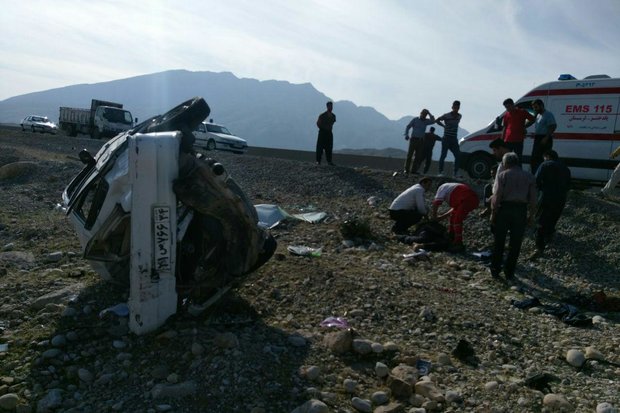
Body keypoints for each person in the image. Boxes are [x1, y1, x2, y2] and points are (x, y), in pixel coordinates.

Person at [489, 152, 537, 279]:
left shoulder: (502, 175)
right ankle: (509, 271)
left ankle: (495, 269)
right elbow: (533, 200)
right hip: (521, 211)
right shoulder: (529, 176)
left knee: (499, 241)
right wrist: (531, 216)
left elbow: (497, 196)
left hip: (505, 209)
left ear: (505, 163)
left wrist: (493, 214)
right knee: (515, 243)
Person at [531, 150, 571, 258]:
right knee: (553, 219)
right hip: (561, 199)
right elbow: (569, 185)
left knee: (540, 221)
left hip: (546, 197)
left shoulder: (545, 164)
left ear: (547, 156)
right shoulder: (565, 168)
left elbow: (536, 181)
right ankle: (549, 237)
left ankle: (539, 247)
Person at [430, 181, 479, 251]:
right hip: (473, 199)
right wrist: (441, 217)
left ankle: (458, 243)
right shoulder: (453, 188)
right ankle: (452, 235)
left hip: (466, 199)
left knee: (457, 221)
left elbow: (436, 203)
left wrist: (434, 217)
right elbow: (454, 209)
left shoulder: (442, 187)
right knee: (453, 216)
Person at [404, 109, 435, 174]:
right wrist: (406, 134)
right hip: (413, 139)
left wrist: (429, 112)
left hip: (421, 141)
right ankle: (406, 170)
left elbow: (433, 121)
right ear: (420, 113)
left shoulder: (426, 121)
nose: (424, 115)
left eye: (425, 114)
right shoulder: (415, 120)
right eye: (423, 114)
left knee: (417, 157)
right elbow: (408, 126)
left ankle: (413, 170)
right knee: (409, 155)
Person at [530, 99, 557, 174]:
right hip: (538, 138)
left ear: (541, 105)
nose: (535, 109)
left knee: (543, 158)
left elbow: (553, 126)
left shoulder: (548, 114)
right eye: (534, 108)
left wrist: (546, 138)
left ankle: (543, 175)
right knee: (535, 159)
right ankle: (535, 176)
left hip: (545, 138)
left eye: (536, 107)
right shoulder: (538, 115)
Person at [436, 100, 463, 177]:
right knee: (443, 155)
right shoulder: (446, 116)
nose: (456, 109)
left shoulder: (459, 116)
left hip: (454, 139)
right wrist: (443, 126)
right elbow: (437, 120)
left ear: (458, 108)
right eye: (454, 107)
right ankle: (440, 172)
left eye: (457, 107)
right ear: (452, 107)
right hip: (446, 138)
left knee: (458, 155)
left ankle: (456, 172)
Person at [316, 101, 336, 165]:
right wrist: (323, 128)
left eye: (331, 106)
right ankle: (318, 161)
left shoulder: (333, 116)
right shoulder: (322, 115)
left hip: (329, 133)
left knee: (329, 148)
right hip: (322, 133)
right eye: (329, 106)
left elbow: (332, 123)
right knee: (320, 147)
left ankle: (329, 161)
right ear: (327, 107)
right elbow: (318, 123)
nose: (331, 107)